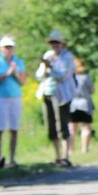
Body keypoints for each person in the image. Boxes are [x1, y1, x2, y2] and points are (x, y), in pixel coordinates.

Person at [36, 30, 75, 166]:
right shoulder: (48, 55)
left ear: (61, 43)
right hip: (48, 92)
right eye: (52, 42)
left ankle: (66, 155)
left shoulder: (67, 57)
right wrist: (45, 66)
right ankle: (57, 156)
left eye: (56, 42)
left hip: (62, 95)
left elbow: (63, 75)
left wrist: (50, 67)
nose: (54, 45)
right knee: (51, 125)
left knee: (62, 124)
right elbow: (39, 75)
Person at [0, 35, 27, 167]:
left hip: (15, 97)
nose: (8, 50)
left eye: (10, 47)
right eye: (6, 47)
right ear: (1, 48)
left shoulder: (18, 62)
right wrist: (6, 73)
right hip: (0, 97)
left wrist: (15, 72)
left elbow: (22, 82)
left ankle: (12, 158)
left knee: (13, 128)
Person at [68, 59, 94, 154]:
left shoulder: (69, 78)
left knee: (71, 129)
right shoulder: (86, 78)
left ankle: (70, 150)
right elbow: (91, 90)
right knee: (86, 127)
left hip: (72, 104)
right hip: (84, 104)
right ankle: (84, 149)